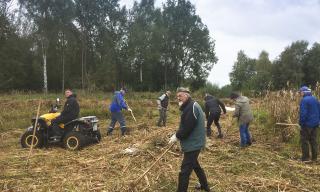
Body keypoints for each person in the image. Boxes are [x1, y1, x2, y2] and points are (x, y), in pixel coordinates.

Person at [169, 87, 210, 192]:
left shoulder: (191, 107)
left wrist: (177, 136)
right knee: (196, 166)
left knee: (184, 172)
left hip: (193, 144)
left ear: (187, 95)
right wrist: (177, 135)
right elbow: (187, 125)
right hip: (195, 143)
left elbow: (187, 128)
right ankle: (205, 187)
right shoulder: (190, 106)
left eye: (180, 95)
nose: (178, 98)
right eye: (177, 96)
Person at [299, 86, 320, 162]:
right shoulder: (315, 99)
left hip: (307, 125)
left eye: (301, 92)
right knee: (313, 140)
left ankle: (305, 158)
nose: (300, 93)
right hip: (315, 124)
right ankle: (315, 158)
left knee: (304, 141)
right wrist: (318, 121)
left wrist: (301, 123)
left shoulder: (304, 100)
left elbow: (303, 113)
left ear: (304, 92)